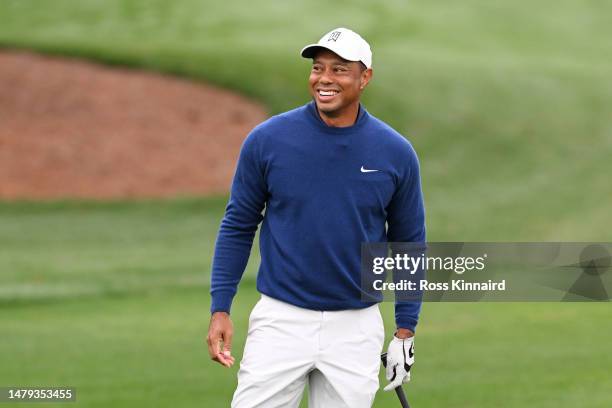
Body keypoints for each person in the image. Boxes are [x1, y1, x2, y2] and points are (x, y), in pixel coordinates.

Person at [207, 27, 425, 407]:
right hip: (281, 319)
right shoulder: (268, 140)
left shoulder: (395, 152)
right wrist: (220, 308)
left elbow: (409, 243)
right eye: (318, 68)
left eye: (339, 69)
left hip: (356, 327)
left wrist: (405, 330)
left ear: (365, 77)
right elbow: (238, 224)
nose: (324, 79)